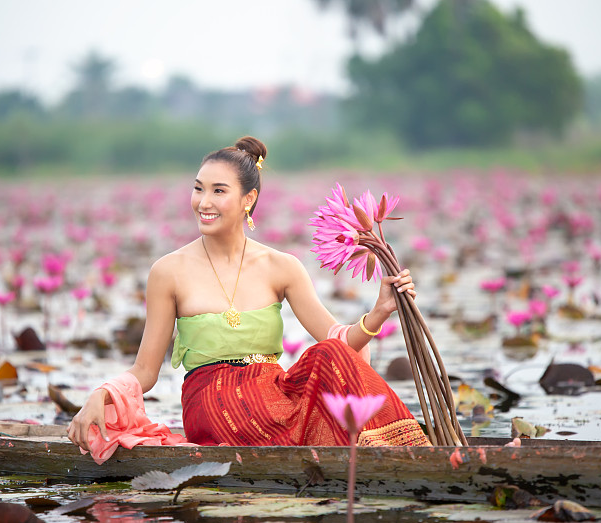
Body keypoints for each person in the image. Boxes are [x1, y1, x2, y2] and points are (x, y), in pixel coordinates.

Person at [67, 136, 431, 455]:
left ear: (248, 198)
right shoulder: (168, 271)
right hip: (213, 404)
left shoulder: (281, 266)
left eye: (218, 190)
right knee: (267, 400)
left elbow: (339, 342)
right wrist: (103, 393)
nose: (203, 202)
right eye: (198, 188)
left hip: (274, 394)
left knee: (330, 353)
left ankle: (400, 453)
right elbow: (145, 370)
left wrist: (379, 313)